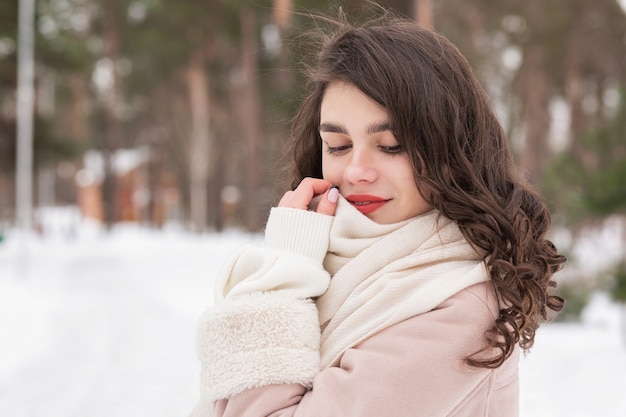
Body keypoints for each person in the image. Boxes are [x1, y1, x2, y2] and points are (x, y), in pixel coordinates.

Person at [189, 10, 565, 417]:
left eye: (390, 145)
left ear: (453, 150)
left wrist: (280, 277)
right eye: (337, 145)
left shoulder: (458, 309)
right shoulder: (329, 260)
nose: (355, 172)